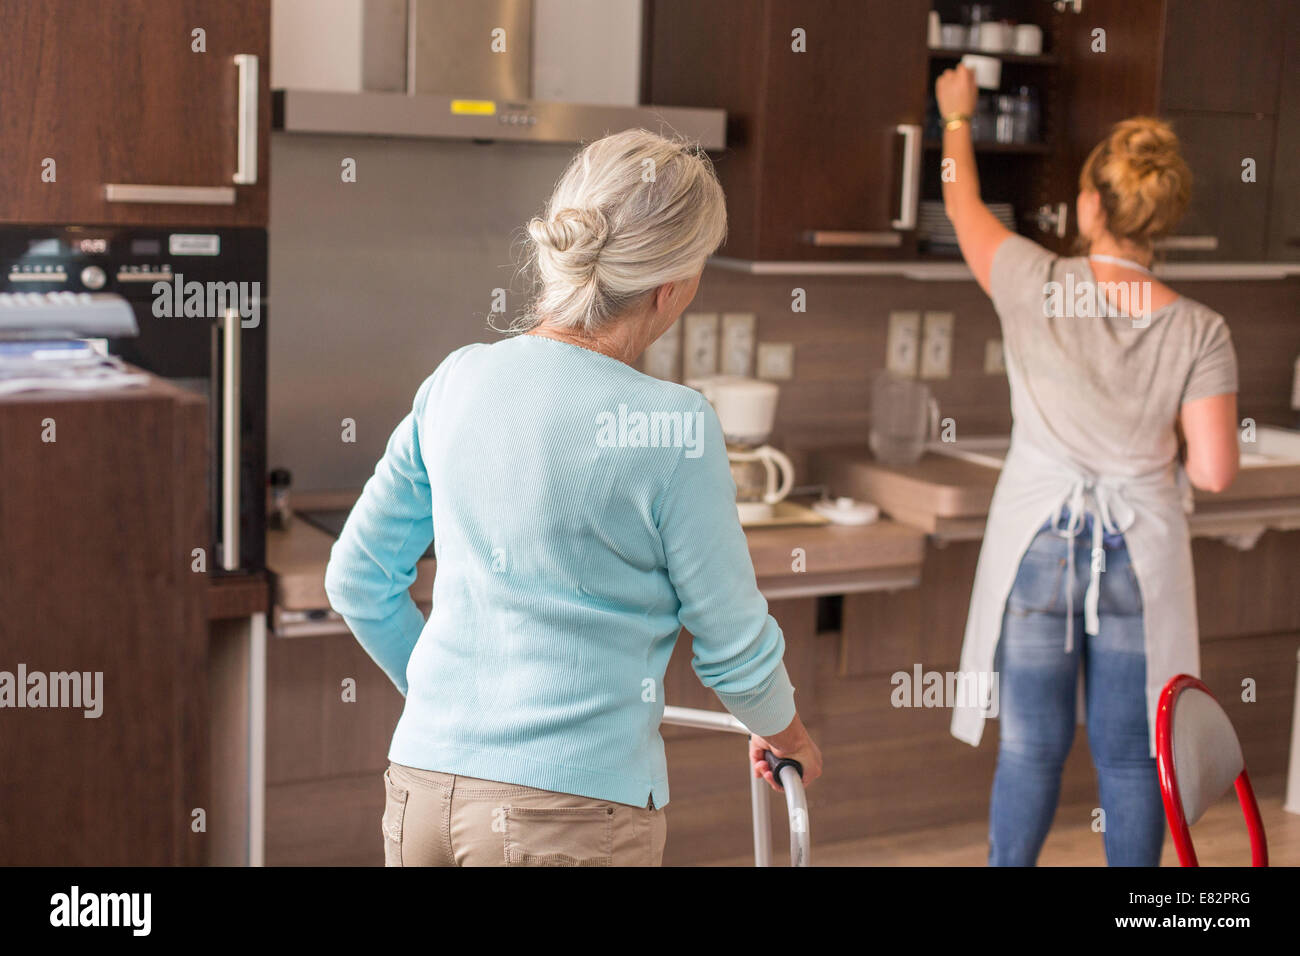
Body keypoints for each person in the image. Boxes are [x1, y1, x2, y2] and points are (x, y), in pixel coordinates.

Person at [324, 128, 822, 867]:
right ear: (674, 285)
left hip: (421, 795)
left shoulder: (456, 379)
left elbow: (358, 581)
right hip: (568, 815)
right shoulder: (675, 426)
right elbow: (732, 645)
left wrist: (450, 712)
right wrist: (790, 738)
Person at [935, 66, 1240, 866]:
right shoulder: (1200, 330)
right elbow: (1214, 472)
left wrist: (958, 120)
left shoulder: (1033, 282)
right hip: (1141, 553)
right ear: (1160, 218)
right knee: (1136, 756)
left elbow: (963, 206)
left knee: (1030, 751)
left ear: (1093, 206)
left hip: (1040, 546)